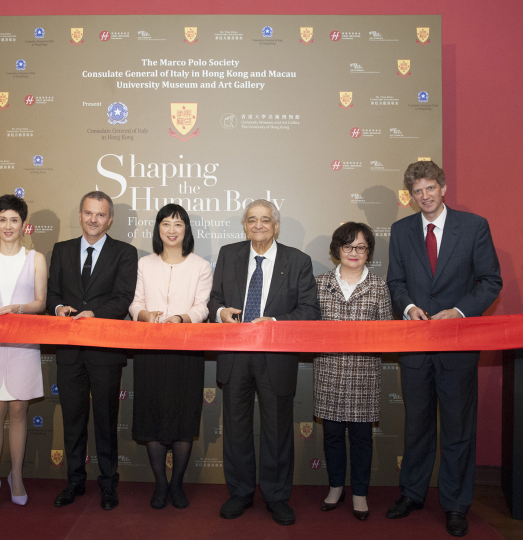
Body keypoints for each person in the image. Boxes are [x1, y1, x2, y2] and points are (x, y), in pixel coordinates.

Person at [386, 161, 502, 537]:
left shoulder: (474, 226)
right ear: (411, 195)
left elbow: (490, 281)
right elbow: (396, 281)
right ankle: (412, 493)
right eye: (417, 192)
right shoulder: (402, 231)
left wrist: (460, 310)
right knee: (417, 426)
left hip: (458, 345)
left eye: (430, 189)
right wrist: (407, 307)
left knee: (457, 429)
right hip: (416, 345)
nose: (425, 197)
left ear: (443, 187)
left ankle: (455, 505)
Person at [208, 199, 320, 526]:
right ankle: (240, 492)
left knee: (277, 431)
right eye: (252, 220)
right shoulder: (229, 255)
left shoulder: (297, 261)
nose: (258, 225)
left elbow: (310, 311)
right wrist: (219, 312)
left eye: (265, 220)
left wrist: (274, 320)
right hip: (235, 355)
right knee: (237, 429)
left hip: (276, 357)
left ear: (276, 226)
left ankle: (276, 495)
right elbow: (214, 298)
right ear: (244, 225)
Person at [47, 191, 137, 510]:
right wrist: (58, 308)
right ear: (80, 214)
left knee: (105, 419)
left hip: (105, 349)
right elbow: (52, 294)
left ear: (109, 219)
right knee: (72, 418)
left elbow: (122, 299)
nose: (93, 220)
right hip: (70, 350)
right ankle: (74, 482)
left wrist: (94, 315)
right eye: (88, 213)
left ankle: (108, 484)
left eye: (100, 215)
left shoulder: (125, 253)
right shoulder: (61, 250)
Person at [128, 204, 213, 510]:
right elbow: (134, 302)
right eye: (166, 224)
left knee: (182, 417)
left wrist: (180, 318)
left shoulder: (200, 265)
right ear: (158, 229)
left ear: (186, 230)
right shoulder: (144, 263)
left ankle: (177, 483)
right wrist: (144, 314)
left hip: (186, 351)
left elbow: (203, 306)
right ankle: (160, 485)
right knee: (151, 417)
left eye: (178, 224)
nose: (172, 230)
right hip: (150, 350)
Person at [0, 194, 47, 512]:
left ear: (23, 224)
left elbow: (41, 303)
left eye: (14, 219)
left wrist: (17, 307)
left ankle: (16, 476)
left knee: (18, 413)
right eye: (3, 219)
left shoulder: (36, 258)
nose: (8, 225)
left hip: (22, 345)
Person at [314, 222, 393, 521]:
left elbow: (387, 332)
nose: (354, 252)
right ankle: (335, 488)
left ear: (368, 251)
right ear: (337, 250)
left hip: (364, 374)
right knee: (332, 436)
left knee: (362, 438)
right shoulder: (320, 283)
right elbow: (309, 328)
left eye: (361, 247)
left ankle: (359, 493)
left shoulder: (379, 285)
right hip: (329, 371)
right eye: (348, 246)